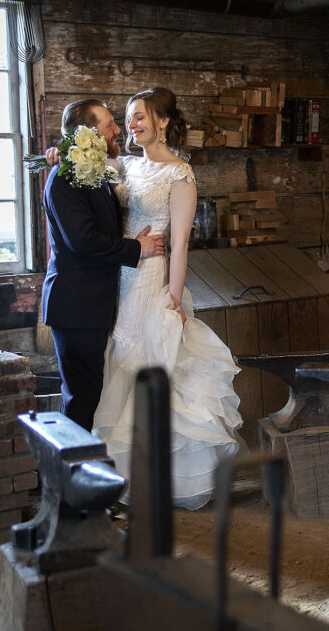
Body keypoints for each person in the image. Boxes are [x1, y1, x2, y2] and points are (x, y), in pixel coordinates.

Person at [93, 87, 243, 510]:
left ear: (162, 121)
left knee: (147, 361)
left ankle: (158, 479)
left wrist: (173, 298)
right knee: (119, 358)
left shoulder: (180, 174)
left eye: (140, 116)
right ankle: (120, 476)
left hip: (151, 278)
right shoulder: (123, 166)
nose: (133, 123)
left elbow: (180, 242)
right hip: (120, 273)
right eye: (128, 117)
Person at [41, 99, 166, 431]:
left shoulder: (94, 171)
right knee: (81, 399)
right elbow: (83, 240)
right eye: (110, 123)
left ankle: (80, 474)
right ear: (87, 133)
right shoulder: (65, 177)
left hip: (93, 306)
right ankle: (71, 480)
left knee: (89, 395)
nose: (117, 130)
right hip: (76, 306)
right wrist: (135, 248)